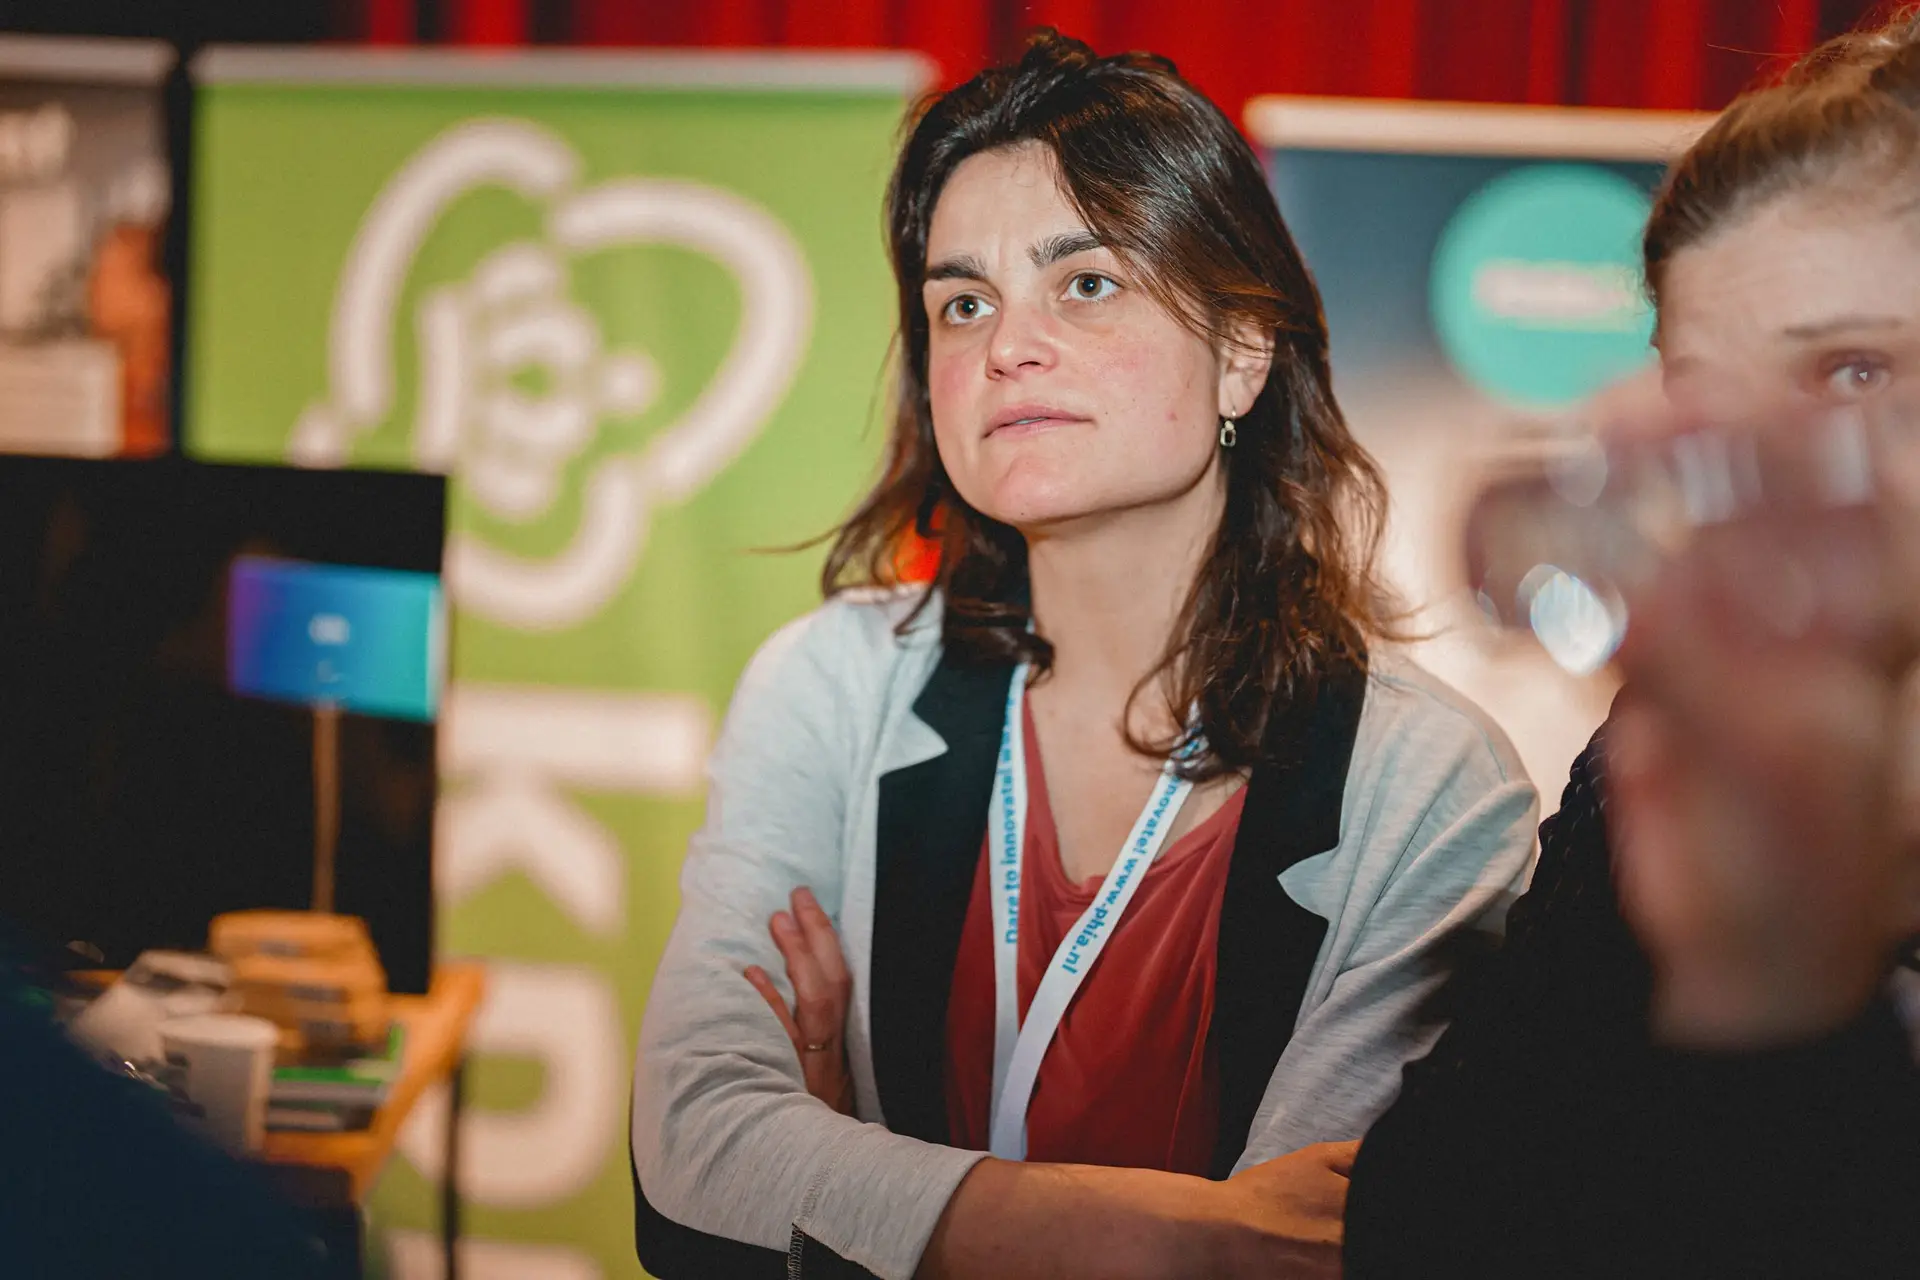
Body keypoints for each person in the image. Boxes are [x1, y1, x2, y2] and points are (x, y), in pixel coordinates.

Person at [630, 31, 1539, 1280]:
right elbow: (694, 1157)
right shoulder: (833, 685)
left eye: (1087, 282)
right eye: (962, 302)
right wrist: (1183, 1232)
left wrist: (853, 1185)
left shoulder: (1426, 783)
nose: (1006, 345)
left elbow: (1312, 1251)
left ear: (1241, 348)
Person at [1345, 12, 1920, 1278]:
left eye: (1854, 373)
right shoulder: (1666, 757)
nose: (1763, 478)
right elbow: (1422, 1217)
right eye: (1709, 407)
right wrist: (1751, 988)